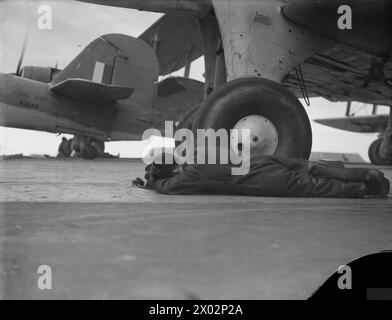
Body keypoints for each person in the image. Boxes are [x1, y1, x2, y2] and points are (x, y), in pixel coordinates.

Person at [134, 150, 390, 198]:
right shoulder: (202, 154)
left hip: (261, 179)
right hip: (266, 160)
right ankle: (367, 173)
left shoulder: (194, 174)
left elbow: (169, 187)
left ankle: (366, 189)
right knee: (317, 168)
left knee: (315, 186)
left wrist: (154, 182)